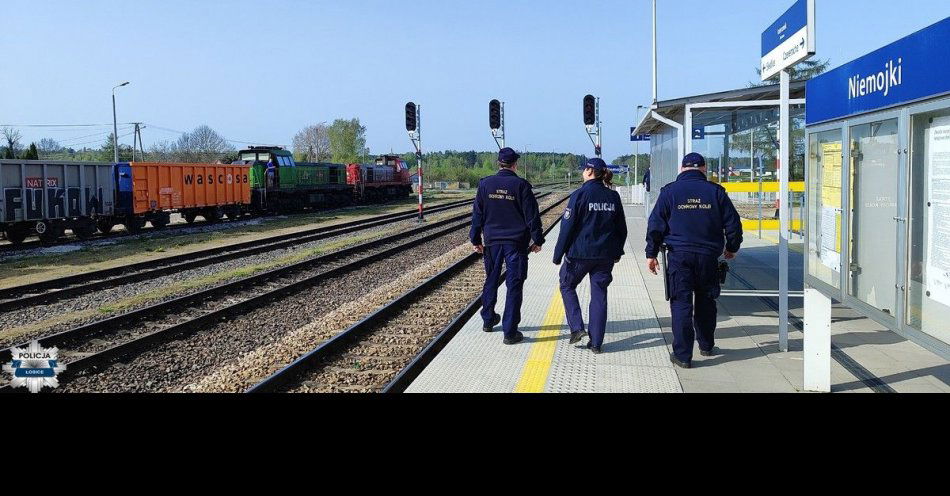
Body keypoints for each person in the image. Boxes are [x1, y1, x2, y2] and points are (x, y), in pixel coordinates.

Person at [645, 153, 743, 369]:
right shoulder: (716, 192)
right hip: (708, 257)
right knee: (707, 301)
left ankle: (682, 356)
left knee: (681, 304)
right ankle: (706, 345)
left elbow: (655, 226)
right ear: (704, 169)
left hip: (679, 257)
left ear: (681, 169)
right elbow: (733, 225)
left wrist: (651, 254)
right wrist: (731, 248)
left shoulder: (669, 192)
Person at [552, 158, 627, 354]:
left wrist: (558, 254)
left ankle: (577, 328)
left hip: (580, 254)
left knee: (567, 285)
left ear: (590, 171)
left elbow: (566, 228)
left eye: (585, 169)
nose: (583, 172)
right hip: (605, 256)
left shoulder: (579, 195)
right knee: (599, 294)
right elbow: (622, 229)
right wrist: (618, 251)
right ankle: (596, 343)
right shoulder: (613, 197)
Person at [470, 147, 544, 345]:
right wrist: (538, 240)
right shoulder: (521, 186)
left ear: (498, 163)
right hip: (516, 243)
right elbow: (532, 216)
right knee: (514, 285)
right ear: (515, 164)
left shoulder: (485, 184)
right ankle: (510, 332)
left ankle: (488, 319)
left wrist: (475, 239)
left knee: (491, 279)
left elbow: (477, 214)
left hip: (492, 242)